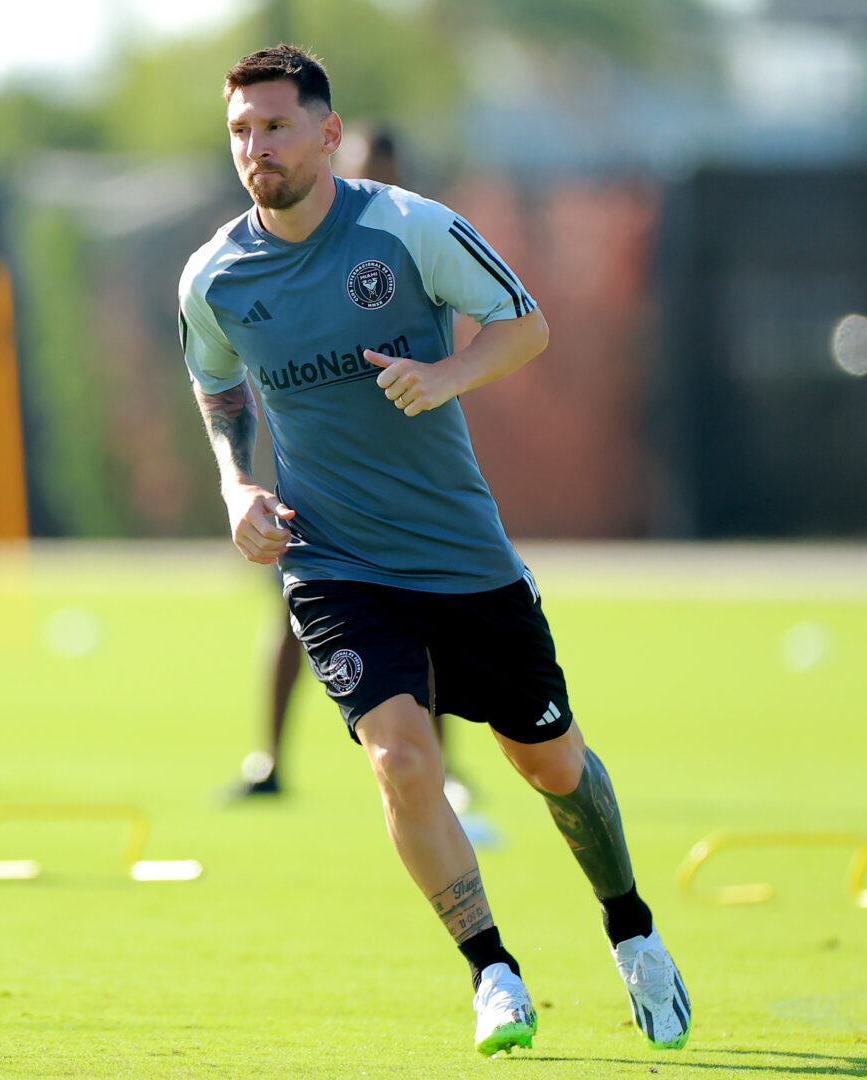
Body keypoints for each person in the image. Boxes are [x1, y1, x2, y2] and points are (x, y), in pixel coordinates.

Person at [177, 45, 691, 1057]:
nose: (256, 148)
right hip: (334, 566)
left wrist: (448, 374)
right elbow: (218, 387)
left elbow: (525, 325)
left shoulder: (409, 231)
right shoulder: (214, 277)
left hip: (464, 560)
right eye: (241, 131)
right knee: (402, 761)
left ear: (328, 132)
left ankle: (631, 928)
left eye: (275, 126)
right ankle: (492, 971)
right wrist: (239, 487)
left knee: (550, 766)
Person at [225, 124, 468, 807]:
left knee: (431, 620)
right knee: (294, 617)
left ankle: (439, 770)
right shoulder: (303, 250)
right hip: (319, 480)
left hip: (410, 476)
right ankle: (268, 761)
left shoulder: (415, 242)